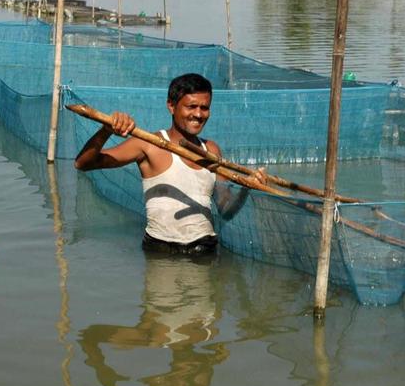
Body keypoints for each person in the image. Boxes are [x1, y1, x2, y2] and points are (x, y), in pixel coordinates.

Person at [74, 72, 266, 256]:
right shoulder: (148, 144)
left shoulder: (212, 150)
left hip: (204, 250)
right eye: (191, 107)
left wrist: (246, 188)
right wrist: (106, 130)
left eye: (204, 108)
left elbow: (225, 210)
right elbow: (83, 163)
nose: (199, 114)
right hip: (160, 250)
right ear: (171, 106)